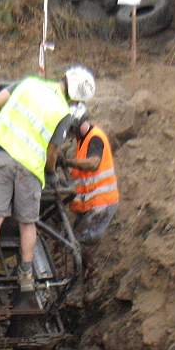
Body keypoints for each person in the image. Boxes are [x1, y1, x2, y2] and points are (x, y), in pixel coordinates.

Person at [0, 66, 96, 292]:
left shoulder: (28, 84)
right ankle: (27, 276)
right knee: (28, 223)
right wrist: (51, 174)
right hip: (31, 170)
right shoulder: (63, 113)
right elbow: (52, 151)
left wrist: (9, 117)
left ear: (65, 77)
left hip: (4, 156)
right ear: (76, 98)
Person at [61, 108, 119, 278]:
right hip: (91, 204)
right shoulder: (82, 142)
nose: (71, 134)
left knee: (80, 241)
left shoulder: (95, 137)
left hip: (102, 202)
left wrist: (67, 162)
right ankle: (86, 277)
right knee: (75, 240)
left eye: (72, 129)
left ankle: (91, 276)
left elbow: (93, 164)